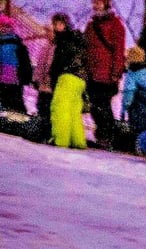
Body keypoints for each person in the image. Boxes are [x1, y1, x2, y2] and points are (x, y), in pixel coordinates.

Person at [83, 0, 126, 149]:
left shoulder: (116, 24)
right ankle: (102, 135)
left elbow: (119, 51)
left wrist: (116, 73)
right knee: (95, 106)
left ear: (106, 4)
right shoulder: (91, 24)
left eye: (99, 2)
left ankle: (108, 136)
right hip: (92, 72)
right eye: (94, 2)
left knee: (103, 106)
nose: (96, 5)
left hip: (107, 73)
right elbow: (85, 46)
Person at [49, 13, 87, 149]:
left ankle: (61, 140)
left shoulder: (65, 40)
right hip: (80, 79)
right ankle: (78, 141)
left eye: (60, 24)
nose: (57, 27)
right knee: (74, 111)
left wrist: (53, 73)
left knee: (60, 108)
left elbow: (60, 62)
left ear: (66, 25)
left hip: (67, 76)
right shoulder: (78, 39)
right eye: (55, 24)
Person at [120, 45, 146, 137]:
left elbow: (129, 92)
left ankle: (136, 139)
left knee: (136, 124)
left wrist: (124, 108)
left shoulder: (132, 73)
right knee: (144, 119)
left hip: (136, 105)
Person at [0, 14, 32, 113]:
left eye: (6, 26)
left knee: (12, 96)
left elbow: (23, 59)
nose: (3, 29)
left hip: (11, 72)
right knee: (11, 96)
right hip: (7, 72)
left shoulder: (14, 40)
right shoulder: (15, 40)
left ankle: (16, 116)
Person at [32, 25, 55, 131]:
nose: (47, 34)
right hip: (43, 84)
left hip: (51, 84)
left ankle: (47, 129)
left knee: (48, 107)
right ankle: (42, 128)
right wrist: (36, 78)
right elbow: (40, 65)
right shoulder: (45, 47)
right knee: (41, 105)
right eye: (47, 32)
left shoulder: (57, 47)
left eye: (49, 31)